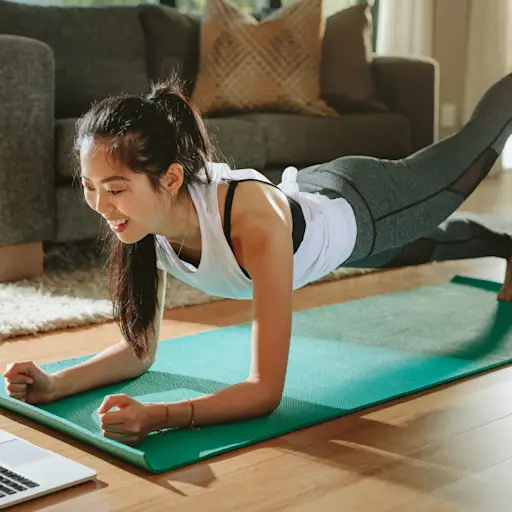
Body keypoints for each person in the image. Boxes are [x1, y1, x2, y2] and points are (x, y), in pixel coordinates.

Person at [3, 72, 512, 446]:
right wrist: (55, 382)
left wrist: (160, 414)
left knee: (475, 147)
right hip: (326, 228)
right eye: (90, 188)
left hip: (366, 205)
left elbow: (265, 389)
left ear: (171, 179)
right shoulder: (140, 218)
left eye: (114, 188)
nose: (100, 205)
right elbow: (140, 351)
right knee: (431, 247)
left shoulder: (252, 220)